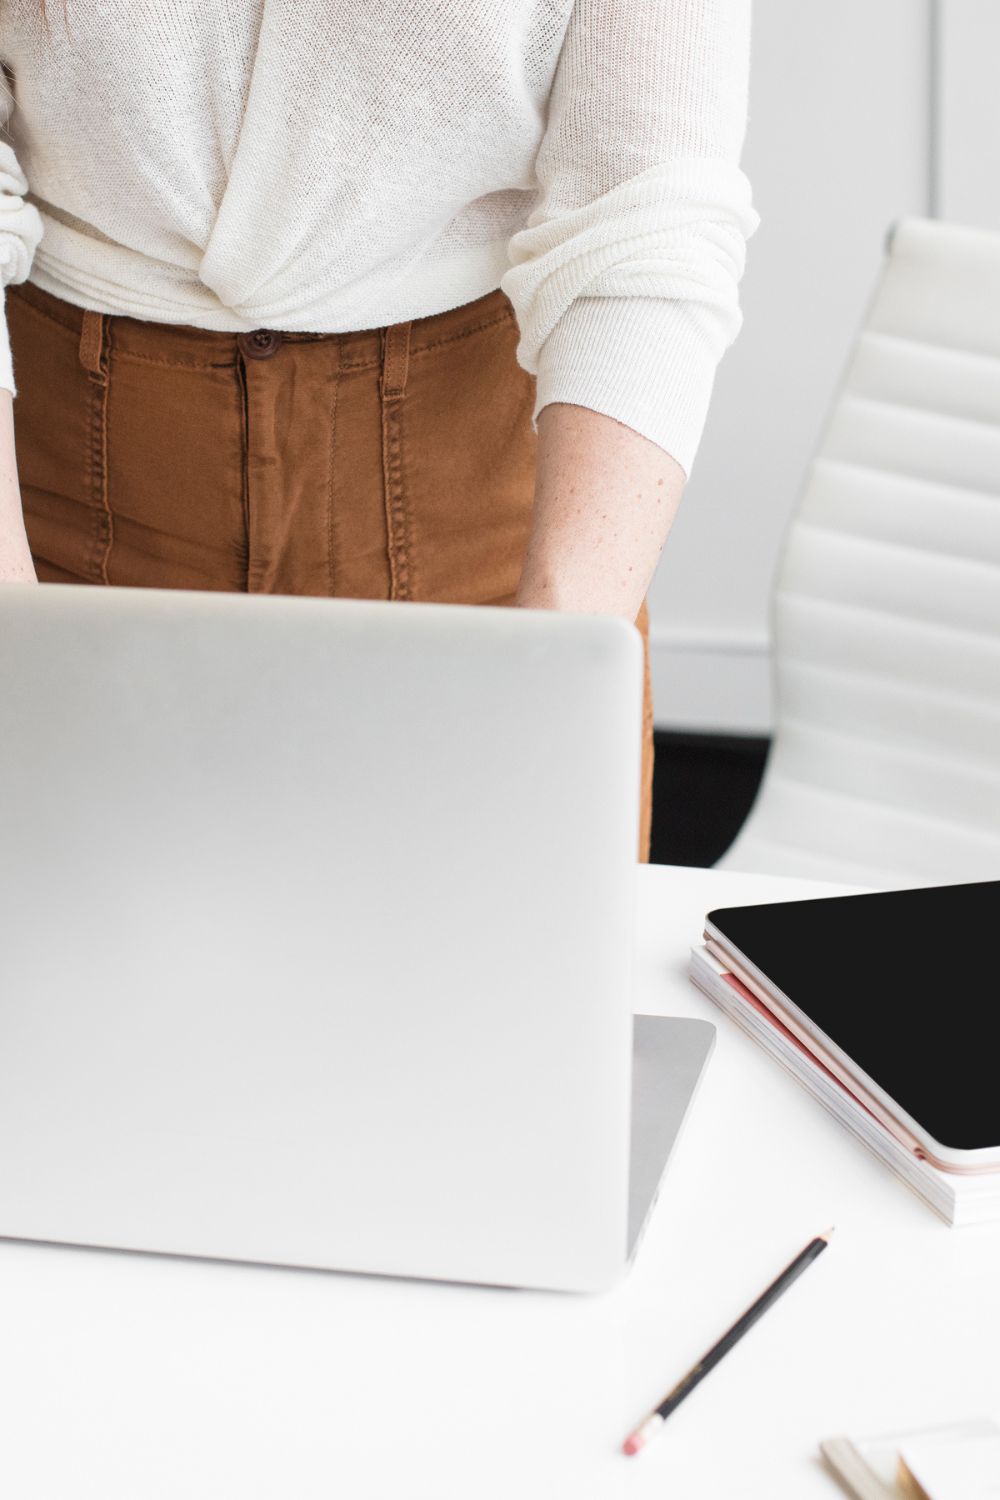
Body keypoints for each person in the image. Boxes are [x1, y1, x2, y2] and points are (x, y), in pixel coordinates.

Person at [0, 1, 759, 862]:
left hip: (482, 513)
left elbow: (647, 209)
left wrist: (558, 664)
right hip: (51, 492)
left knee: (498, 974)